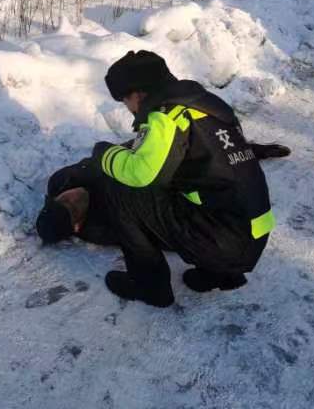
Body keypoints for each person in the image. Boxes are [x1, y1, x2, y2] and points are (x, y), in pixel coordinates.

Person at [37, 50, 284, 308]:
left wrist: (104, 154)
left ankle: (150, 287)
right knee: (178, 186)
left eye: (125, 101)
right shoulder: (204, 108)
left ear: (137, 93)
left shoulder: (165, 118)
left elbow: (141, 174)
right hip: (252, 234)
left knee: (126, 191)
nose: (129, 109)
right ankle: (220, 273)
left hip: (226, 239)